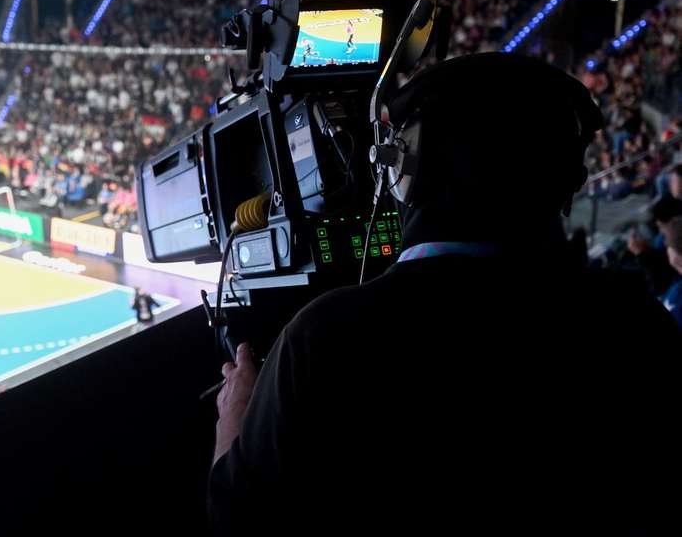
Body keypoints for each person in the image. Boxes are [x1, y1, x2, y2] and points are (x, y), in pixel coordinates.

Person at [208, 54, 680, 533]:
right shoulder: (633, 320)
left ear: (403, 170)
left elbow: (239, 525)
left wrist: (235, 419)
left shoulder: (322, 338)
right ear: (566, 183)